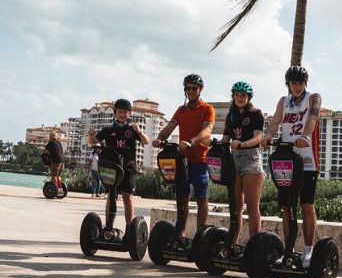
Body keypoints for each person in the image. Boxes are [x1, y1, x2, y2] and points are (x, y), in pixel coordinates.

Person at [261, 66, 322, 268]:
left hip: (307, 160)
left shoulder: (313, 98)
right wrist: (268, 135)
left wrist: (305, 136)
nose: (297, 86)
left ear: (305, 83)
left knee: (306, 205)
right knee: (287, 207)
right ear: (288, 84)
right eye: (293, 83)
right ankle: (288, 250)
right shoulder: (283, 101)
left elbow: (312, 118)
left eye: (300, 82)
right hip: (287, 159)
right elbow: (276, 121)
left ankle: (308, 250)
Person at [152, 74, 215, 240]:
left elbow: (207, 131)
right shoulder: (181, 110)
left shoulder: (207, 109)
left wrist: (191, 142)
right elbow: (169, 127)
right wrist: (160, 139)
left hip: (200, 160)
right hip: (182, 160)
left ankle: (201, 234)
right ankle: (180, 232)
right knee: (182, 197)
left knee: (201, 198)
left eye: (195, 88)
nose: (192, 91)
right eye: (188, 88)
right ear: (185, 91)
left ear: (200, 90)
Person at [87, 98, 150, 233]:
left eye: (125, 112)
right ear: (115, 113)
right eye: (120, 112)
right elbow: (94, 142)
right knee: (111, 196)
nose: (122, 115)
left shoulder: (132, 129)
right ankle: (108, 228)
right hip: (112, 168)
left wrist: (139, 132)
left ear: (129, 113)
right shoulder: (108, 129)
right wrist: (90, 135)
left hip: (129, 168)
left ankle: (130, 229)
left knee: (128, 196)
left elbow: (146, 142)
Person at [221, 81, 265, 253]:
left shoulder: (256, 113)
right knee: (236, 207)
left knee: (252, 206)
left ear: (249, 97)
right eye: (237, 95)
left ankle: (255, 246)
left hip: (251, 159)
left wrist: (243, 144)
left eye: (244, 95)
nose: (240, 98)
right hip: (234, 159)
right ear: (233, 96)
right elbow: (226, 137)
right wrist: (217, 144)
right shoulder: (231, 114)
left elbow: (258, 138)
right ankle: (233, 244)